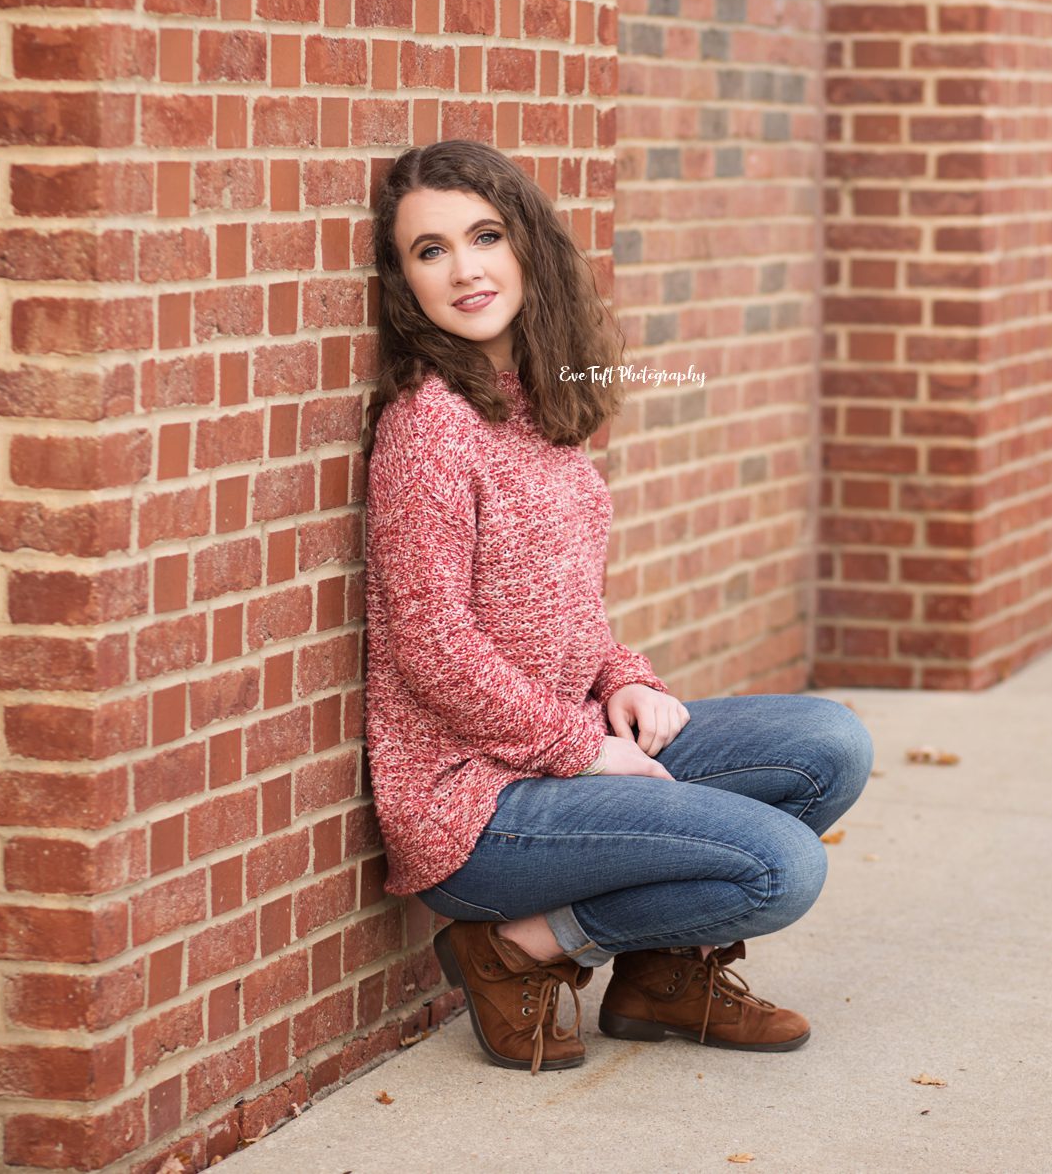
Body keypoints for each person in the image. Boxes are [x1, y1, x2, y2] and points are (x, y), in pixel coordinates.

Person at [359, 139, 873, 1075]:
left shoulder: (546, 402)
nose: (466, 268)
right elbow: (431, 646)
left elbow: (563, 604)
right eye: (429, 251)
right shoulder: (428, 422)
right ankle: (516, 944)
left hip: (568, 747)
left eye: (484, 235)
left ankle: (658, 979)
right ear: (404, 282)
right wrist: (583, 747)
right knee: (779, 868)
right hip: (480, 806)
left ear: (528, 248)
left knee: (827, 744)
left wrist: (624, 679)